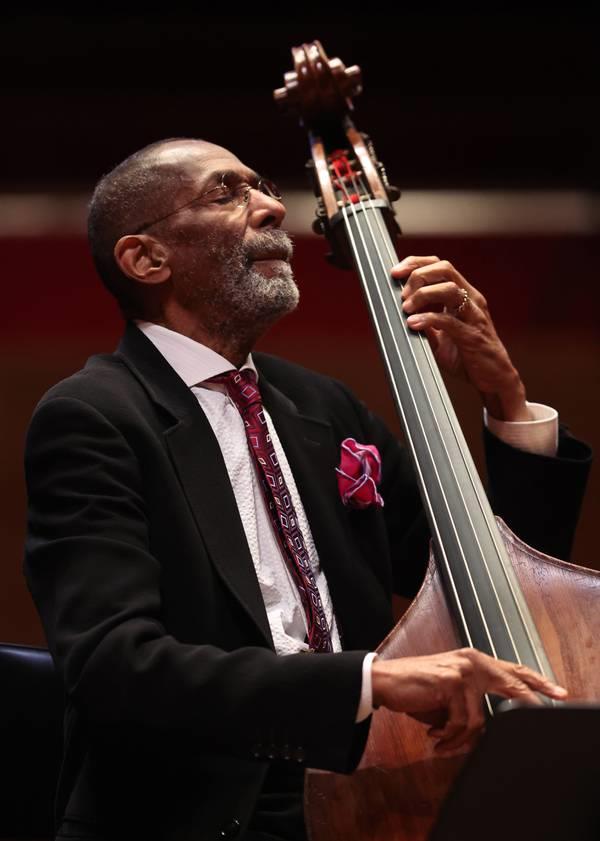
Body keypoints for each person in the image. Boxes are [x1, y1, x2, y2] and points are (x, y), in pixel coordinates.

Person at [24, 138, 591, 841]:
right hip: (204, 811)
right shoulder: (96, 417)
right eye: (226, 193)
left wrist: (506, 398)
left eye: (262, 186)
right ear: (146, 258)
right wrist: (368, 682)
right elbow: (116, 667)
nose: (270, 206)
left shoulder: (323, 408)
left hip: (368, 785)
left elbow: (508, 588)